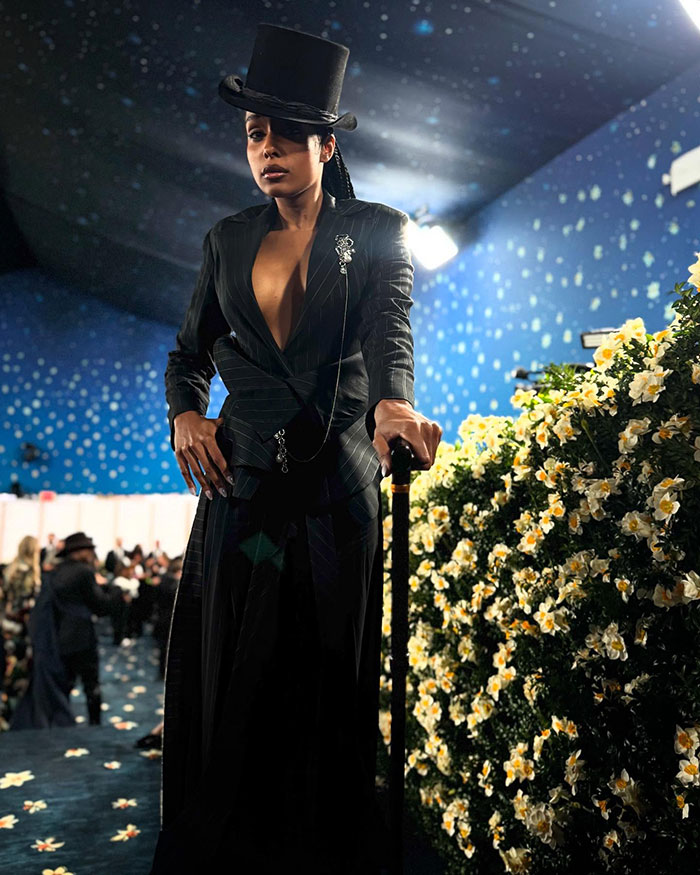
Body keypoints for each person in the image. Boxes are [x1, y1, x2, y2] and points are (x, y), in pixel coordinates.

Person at [149, 23, 442, 875]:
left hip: (337, 493)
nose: (265, 149)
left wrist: (395, 407)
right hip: (241, 492)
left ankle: (327, 848)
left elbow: (392, 335)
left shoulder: (378, 230)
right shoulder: (226, 240)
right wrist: (185, 417)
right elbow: (186, 354)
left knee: (322, 670)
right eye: (253, 134)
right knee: (240, 666)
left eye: (282, 133)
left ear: (324, 141)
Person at [50, 531, 127, 725]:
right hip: (82, 636)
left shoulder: (55, 571)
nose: (93, 553)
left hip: (58, 635)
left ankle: (62, 720)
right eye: (90, 549)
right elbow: (102, 607)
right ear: (80, 551)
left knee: (64, 683)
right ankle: (94, 725)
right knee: (90, 683)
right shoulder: (84, 572)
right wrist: (115, 588)